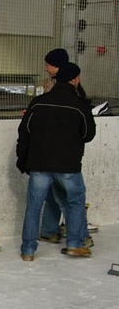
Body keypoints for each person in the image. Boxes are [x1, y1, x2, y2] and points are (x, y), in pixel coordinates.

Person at [16, 62, 96, 261]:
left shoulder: (38, 102)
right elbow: (88, 134)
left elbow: (24, 132)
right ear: (75, 79)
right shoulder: (80, 105)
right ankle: (75, 244)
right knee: (75, 201)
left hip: (39, 164)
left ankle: (28, 250)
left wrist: (23, 159)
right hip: (68, 165)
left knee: (34, 206)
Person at [38, 49, 96, 245]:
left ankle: (79, 235)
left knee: (65, 197)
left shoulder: (64, 89)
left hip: (57, 154)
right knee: (57, 195)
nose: (46, 68)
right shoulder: (67, 88)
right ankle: (51, 230)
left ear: (57, 66)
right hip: (64, 155)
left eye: (48, 64)